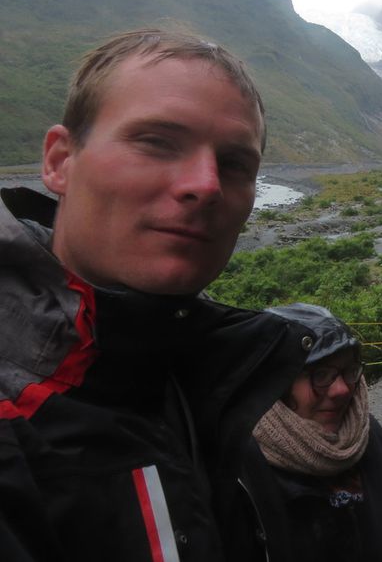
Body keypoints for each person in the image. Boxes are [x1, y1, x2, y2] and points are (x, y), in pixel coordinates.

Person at [0, 29, 311, 561]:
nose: (207, 184)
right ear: (59, 161)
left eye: (235, 164)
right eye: (156, 142)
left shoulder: (207, 381)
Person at [254, 303, 382, 562]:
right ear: (275, 382)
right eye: (320, 374)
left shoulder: (371, 439)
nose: (342, 390)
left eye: (348, 371)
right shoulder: (242, 468)